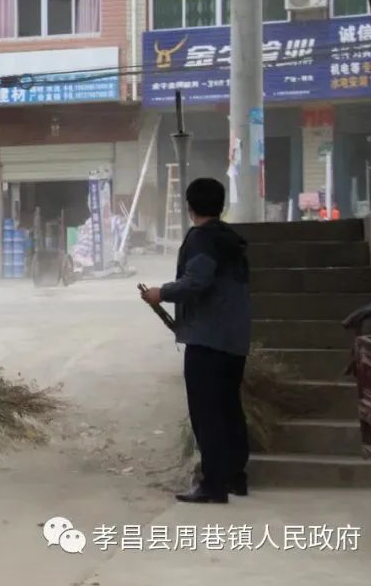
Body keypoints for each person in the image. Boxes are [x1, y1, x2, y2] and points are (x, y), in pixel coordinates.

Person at [142, 178, 251, 504]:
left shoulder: (202, 238)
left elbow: (197, 281)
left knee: (207, 412)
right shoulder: (229, 238)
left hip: (208, 339)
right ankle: (235, 476)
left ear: (189, 206)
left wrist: (161, 293)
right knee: (229, 407)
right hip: (234, 339)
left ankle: (213, 484)